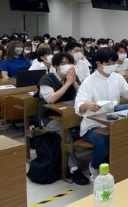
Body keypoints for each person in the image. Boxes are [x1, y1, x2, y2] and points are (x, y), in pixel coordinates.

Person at [74, 47, 128, 182]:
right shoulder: (89, 82)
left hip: (113, 120)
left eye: (114, 63)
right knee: (104, 144)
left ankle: (121, 165)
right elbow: (79, 105)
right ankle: (94, 167)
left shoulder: (117, 78)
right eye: (108, 64)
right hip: (93, 125)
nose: (112, 66)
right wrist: (87, 105)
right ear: (99, 64)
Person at [36, 52, 89, 185]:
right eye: (63, 64)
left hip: (69, 115)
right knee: (66, 133)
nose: (67, 66)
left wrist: (74, 82)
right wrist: (67, 83)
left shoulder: (72, 78)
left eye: (69, 63)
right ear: (55, 66)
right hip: (49, 118)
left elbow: (84, 95)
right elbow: (51, 99)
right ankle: (73, 168)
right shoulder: (46, 79)